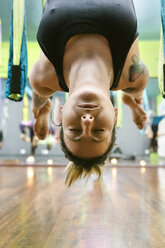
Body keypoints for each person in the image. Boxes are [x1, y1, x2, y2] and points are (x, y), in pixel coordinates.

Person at [30, 0, 149, 186]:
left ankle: (44, 110)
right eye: (99, 131)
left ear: (60, 113)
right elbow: (136, 87)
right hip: (129, 86)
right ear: (115, 116)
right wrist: (135, 105)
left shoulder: (43, 76)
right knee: (135, 91)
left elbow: (39, 94)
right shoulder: (133, 76)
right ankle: (132, 103)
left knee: (40, 92)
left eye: (74, 130)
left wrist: (41, 113)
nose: (86, 122)